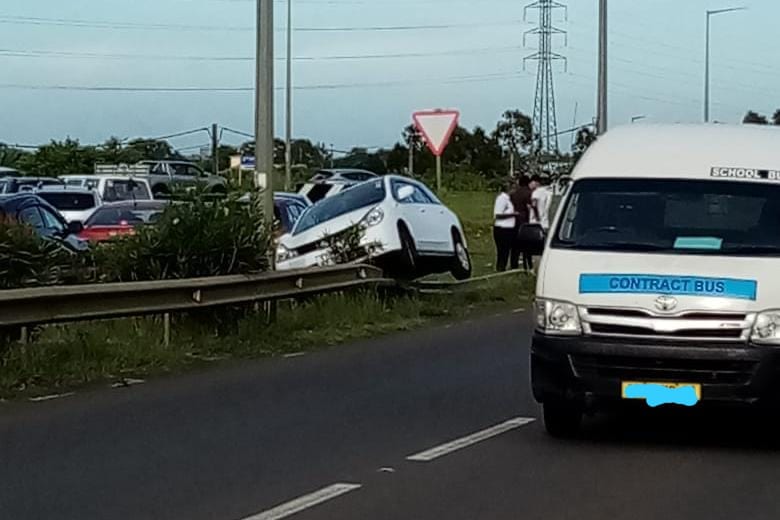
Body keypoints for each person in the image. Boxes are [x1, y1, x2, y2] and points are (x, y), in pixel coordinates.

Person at [493, 178, 518, 272]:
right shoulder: (502, 199)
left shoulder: (508, 199)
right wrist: (513, 214)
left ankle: (502, 268)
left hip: (508, 229)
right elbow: (498, 214)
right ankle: (500, 268)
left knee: (506, 251)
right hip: (502, 229)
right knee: (502, 251)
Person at [511, 175, 533, 271]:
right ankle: (528, 264)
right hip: (525, 221)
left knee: (515, 244)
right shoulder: (529, 193)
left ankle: (514, 264)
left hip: (514, 220)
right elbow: (529, 208)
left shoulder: (513, 194)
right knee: (527, 245)